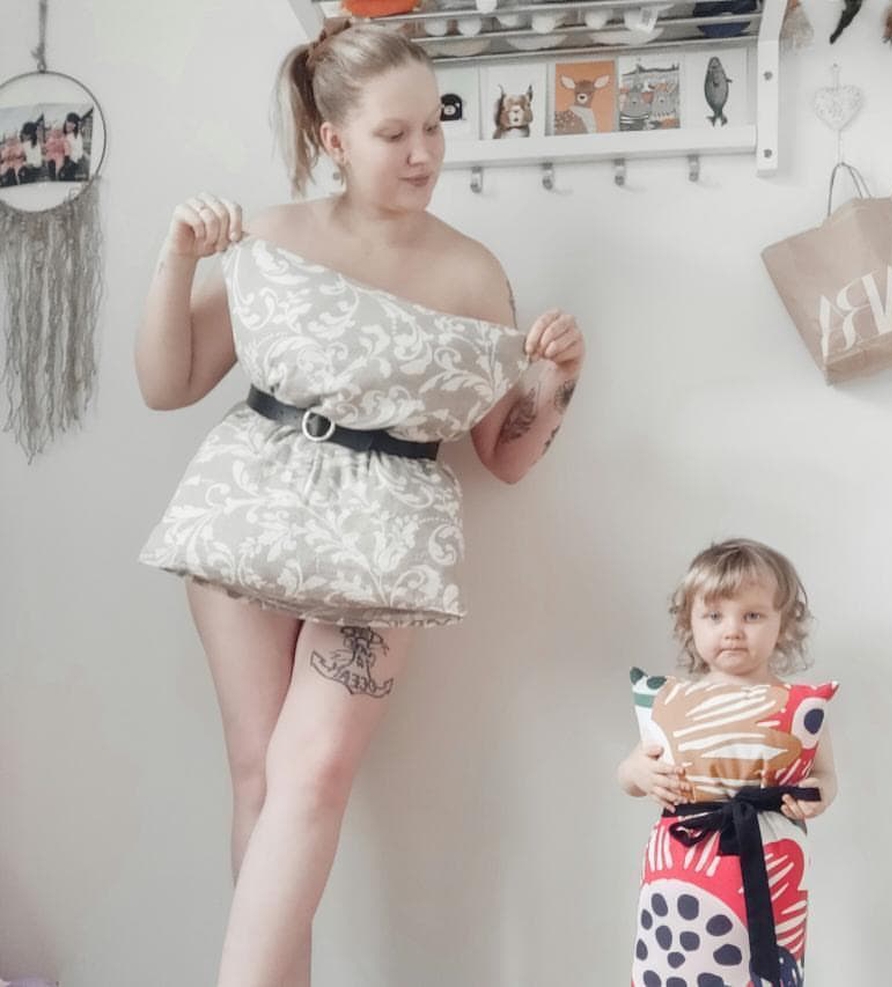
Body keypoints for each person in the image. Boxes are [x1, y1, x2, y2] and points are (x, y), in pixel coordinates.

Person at [135, 19, 584, 987]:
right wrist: (176, 257)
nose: (424, 152)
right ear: (333, 138)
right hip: (247, 512)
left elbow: (501, 458)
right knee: (258, 774)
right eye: (395, 134)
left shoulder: (473, 272)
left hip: (388, 543)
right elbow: (167, 384)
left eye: (435, 125)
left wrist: (555, 381)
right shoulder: (270, 239)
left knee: (314, 775)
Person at [618, 539, 837, 987]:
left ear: (783, 623)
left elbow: (825, 775)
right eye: (714, 616)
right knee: (675, 967)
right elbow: (629, 773)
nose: (733, 630)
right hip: (681, 863)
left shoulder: (797, 706)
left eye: (752, 615)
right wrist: (638, 773)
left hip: (771, 862)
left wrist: (818, 795)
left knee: (764, 966)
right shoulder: (671, 702)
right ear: (690, 623)